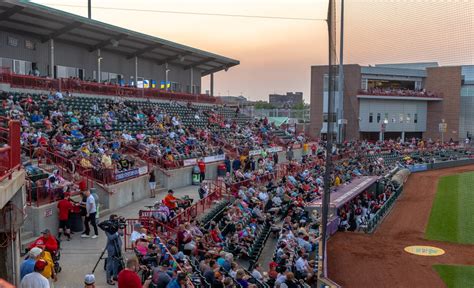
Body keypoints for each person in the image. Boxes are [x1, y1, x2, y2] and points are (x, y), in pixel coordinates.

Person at [105, 214, 124, 285]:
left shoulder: (117, 225)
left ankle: (115, 276)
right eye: (115, 219)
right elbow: (110, 237)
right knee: (109, 264)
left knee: (116, 262)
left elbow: (121, 234)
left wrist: (120, 229)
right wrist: (117, 233)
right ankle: (108, 279)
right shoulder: (107, 227)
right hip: (111, 247)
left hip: (118, 246)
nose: (116, 221)